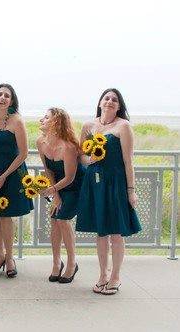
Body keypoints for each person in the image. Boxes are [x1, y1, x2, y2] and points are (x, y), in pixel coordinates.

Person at [76, 88, 141, 295]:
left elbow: (128, 161)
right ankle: (103, 274)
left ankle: (115, 277)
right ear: (100, 102)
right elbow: (81, 157)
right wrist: (90, 159)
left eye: (114, 100)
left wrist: (131, 190)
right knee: (101, 232)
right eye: (107, 98)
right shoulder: (89, 126)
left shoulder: (124, 126)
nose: (110, 102)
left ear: (119, 106)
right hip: (95, 184)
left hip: (116, 184)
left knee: (116, 234)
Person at [0, 83, 33, 278]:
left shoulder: (17, 121)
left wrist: (4, 175)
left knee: (6, 214)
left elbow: (24, 153)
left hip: (13, 169)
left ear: (12, 101)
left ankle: (10, 258)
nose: (2, 98)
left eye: (6, 96)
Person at [37, 107, 85, 283]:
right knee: (54, 219)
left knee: (63, 219)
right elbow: (48, 169)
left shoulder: (68, 146)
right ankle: (57, 262)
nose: (41, 119)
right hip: (58, 186)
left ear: (56, 122)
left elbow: (70, 177)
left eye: (46, 117)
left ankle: (72, 263)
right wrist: (55, 195)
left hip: (76, 186)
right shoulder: (40, 143)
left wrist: (52, 190)